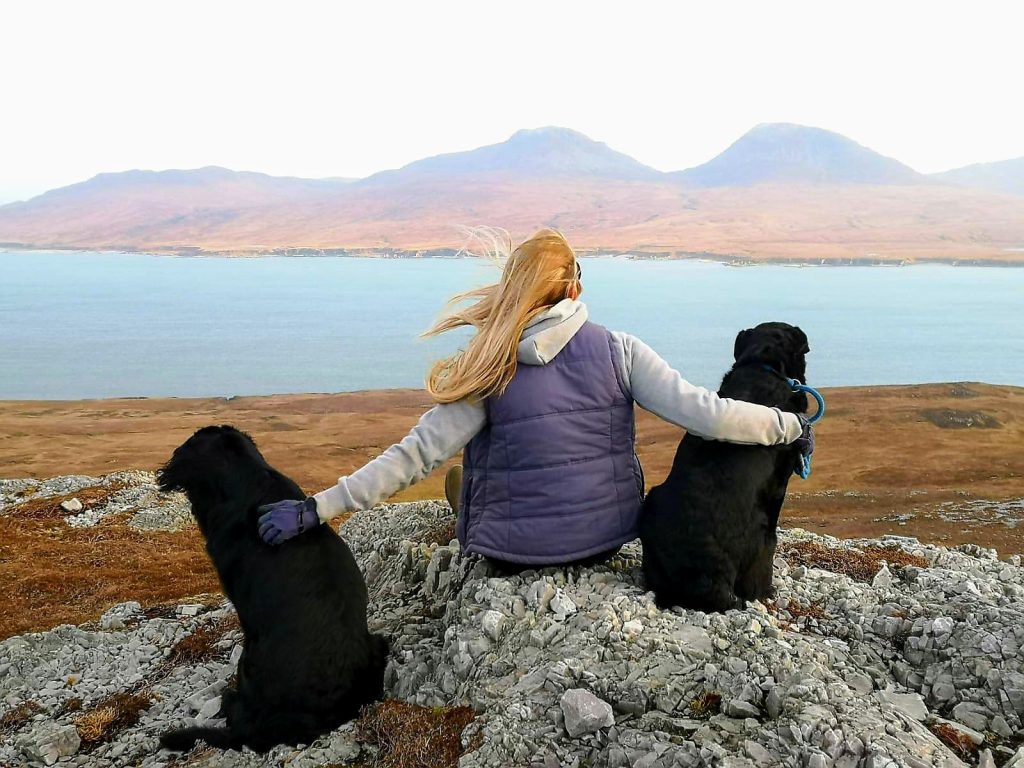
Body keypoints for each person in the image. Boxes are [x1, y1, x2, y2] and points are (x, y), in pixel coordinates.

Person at [257, 229, 813, 570]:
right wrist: (789, 427)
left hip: (512, 557)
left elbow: (413, 456)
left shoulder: (490, 368)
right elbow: (708, 415)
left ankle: (468, 502)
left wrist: (317, 508)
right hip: (607, 540)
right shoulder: (621, 351)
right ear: (575, 287)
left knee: (457, 474)